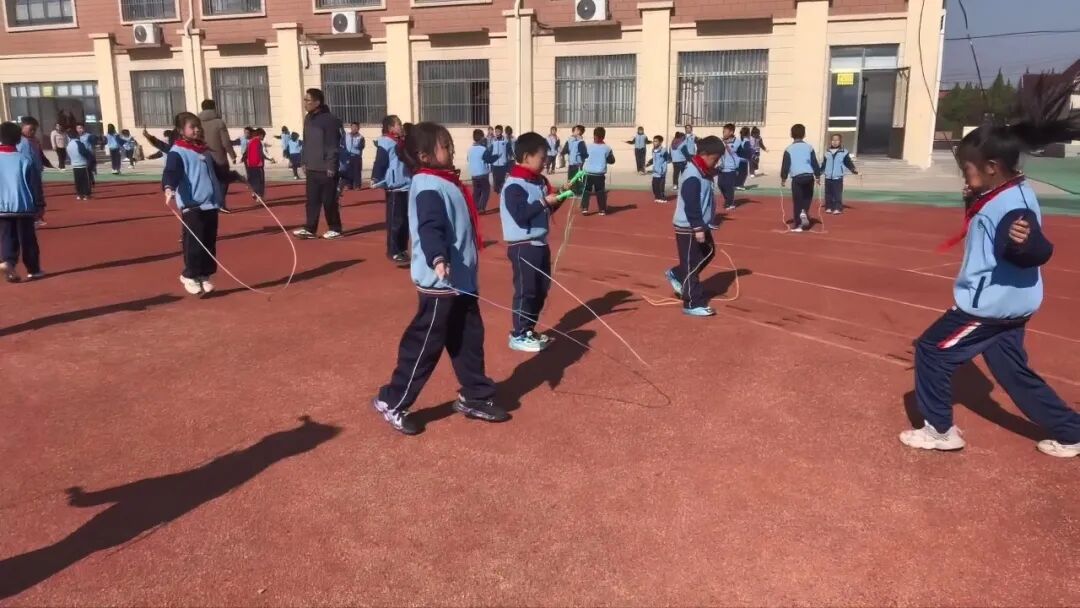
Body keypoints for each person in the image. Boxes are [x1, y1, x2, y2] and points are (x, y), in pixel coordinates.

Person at [899, 81, 1080, 457]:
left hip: (987, 307)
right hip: (1012, 304)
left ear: (992, 168)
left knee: (932, 350)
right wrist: (974, 199)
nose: (964, 176)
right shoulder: (1008, 190)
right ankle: (1071, 431)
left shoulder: (1013, 207)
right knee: (1014, 373)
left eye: (967, 170)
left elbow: (1037, 249)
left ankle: (940, 431)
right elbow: (991, 219)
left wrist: (1024, 243)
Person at [372, 121, 509, 435]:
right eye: (445, 146)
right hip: (440, 284)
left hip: (462, 282)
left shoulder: (446, 181)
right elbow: (430, 225)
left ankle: (475, 395)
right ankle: (392, 400)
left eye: (450, 144)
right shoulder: (428, 186)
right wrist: (437, 257)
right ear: (424, 156)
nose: (451, 149)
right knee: (425, 345)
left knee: (468, 340)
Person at [500, 131, 566, 352]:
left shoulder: (538, 182)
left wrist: (560, 197)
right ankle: (518, 333)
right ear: (527, 157)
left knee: (541, 289)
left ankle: (528, 330)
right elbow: (521, 215)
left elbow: (545, 210)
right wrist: (544, 201)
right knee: (526, 290)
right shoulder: (514, 185)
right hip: (523, 247)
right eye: (542, 157)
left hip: (540, 245)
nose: (545, 161)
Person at [163, 112, 224, 296]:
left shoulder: (203, 150)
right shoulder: (177, 152)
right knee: (194, 243)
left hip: (210, 204)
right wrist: (169, 187)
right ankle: (189, 275)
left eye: (198, 126)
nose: (197, 130)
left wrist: (236, 177)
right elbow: (171, 172)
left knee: (209, 242)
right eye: (192, 127)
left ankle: (204, 275)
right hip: (193, 206)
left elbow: (217, 172)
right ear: (181, 130)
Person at [664, 136, 724, 318]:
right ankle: (692, 302)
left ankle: (677, 273)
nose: (716, 162)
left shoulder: (703, 171)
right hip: (688, 227)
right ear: (704, 154)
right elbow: (691, 203)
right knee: (690, 264)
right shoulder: (692, 174)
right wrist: (697, 227)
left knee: (708, 252)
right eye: (714, 159)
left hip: (700, 224)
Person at [293, 88, 343, 240]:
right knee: (312, 201)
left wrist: (331, 165)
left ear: (317, 102)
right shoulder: (308, 118)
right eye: (305, 100)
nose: (305, 103)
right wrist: (303, 160)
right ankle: (310, 228)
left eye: (308, 100)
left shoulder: (330, 120)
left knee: (329, 201)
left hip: (326, 169)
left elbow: (333, 145)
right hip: (311, 167)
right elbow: (306, 142)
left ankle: (335, 228)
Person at [0, 121, 45, 283]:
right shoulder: (24, 159)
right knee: (28, 239)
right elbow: (34, 184)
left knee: (7, 236)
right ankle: (33, 269)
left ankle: (8, 262)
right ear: (18, 139)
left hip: (2, 207)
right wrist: (40, 204)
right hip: (23, 205)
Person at [371, 114, 411, 264]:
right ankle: (393, 250)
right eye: (398, 124)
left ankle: (403, 248)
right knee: (395, 221)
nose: (400, 126)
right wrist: (376, 177)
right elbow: (380, 162)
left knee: (405, 221)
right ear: (390, 128)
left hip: (406, 185)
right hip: (395, 188)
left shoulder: (402, 142)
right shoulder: (386, 142)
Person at [780, 123, 821, 233]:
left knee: (797, 201)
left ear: (791, 134)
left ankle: (798, 224)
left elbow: (785, 165)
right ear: (804, 134)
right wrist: (817, 175)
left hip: (797, 177)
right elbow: (814, 162)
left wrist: (783, 178)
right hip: (809, 176)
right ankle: (804, 212)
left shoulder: (789, 149)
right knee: (807, 198)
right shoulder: (809, 147)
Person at [197, 99, 236, 212]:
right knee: (223, 180)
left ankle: (207, 203)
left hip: (201, 156)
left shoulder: (196, 122)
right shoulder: (219, 122)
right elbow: (225, 142)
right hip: (218, 157)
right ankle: (220, 203)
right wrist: (232, 155)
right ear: (214, 107)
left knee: (206, 180)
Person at [580, 126, 614, 216]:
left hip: (588, 173)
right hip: (599, 174)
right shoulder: (607, 148)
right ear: (603, 137)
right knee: (600, 192)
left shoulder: (588, 146)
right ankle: (602, 210)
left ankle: (584, 208)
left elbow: (582, 157)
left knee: (586, 191)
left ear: (594, 135)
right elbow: (612, 160)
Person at [822, 133, 858, 215]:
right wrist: (819, 173)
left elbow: (848, 163)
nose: (835, 142)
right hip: (828, 177)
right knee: (828, 193)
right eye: (833, 140)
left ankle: (837, 208)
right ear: (830, 141)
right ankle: (828, 207)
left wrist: (853, 170)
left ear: (840, 141)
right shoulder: (827, 152)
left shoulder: (844, 152)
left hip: (838, 177)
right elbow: (824, 165)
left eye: (837, 140)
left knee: (837, 193)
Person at [467, 128, 495, 214]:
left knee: (476, 191)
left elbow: (468, 159)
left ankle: (474, 207)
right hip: (483, 173)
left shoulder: (470, 149)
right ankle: (481, 208)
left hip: (474, 173)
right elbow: (488, 160)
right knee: (486, 190)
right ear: (482, 138)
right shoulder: (483, 149)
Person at [717, 123, 740, 212]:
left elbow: (733, 151)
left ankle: (730, 203)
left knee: (729, 186)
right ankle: (728, 199)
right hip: (721, 167)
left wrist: (726, 144)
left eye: (725, 131)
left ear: (731, 132)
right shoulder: (721, 141)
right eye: (723, 131)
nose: (724, 133)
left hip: (731, 168)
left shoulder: (737, 142)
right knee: (720, 184)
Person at [66, 128, 94, 200]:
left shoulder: (69, 145)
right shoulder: (79, 143)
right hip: (82, 164)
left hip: (74, 165)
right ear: (77, 135)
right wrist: (90, 158)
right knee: (85, 181)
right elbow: (84, 152)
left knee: (78, 181)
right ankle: (86, 194)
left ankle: (79, 194)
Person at [562, 125, 586, 194]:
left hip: (576, 164)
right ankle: (574, 191)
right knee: (573, 178)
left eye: (576, 130)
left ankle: (576, 191)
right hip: (574, 163)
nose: (573, 132)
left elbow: (584, 153)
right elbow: (565, 150)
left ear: (579, 132)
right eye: (574, 130)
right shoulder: (575, 141)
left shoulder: (579, 141)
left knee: (574, 178)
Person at [645, 135, 669, 203]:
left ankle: (662, 198)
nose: (654, 142)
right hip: (655, 172)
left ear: (660, 142)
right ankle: (657, 197)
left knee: (660, 186)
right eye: (653, 141)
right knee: (654, 186)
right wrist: (648, 164)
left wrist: (663, 167)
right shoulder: (653, 150)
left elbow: (668, 158)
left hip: (661, 173)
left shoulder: (663, 150)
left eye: (656, 141)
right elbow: (654, 159)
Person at [245, 128, 268, 200]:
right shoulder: (257, 142)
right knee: (260, 180)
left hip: (251, 165)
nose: (263, 138)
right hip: (257, 165)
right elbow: (258, 153)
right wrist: (259, 161)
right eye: (263, 136)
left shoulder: (251, 141)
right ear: (260, 135)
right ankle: (259, 194)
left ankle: (255, 192)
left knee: (254, 180)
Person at [342, 122, 365, 190]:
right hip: (347, 155)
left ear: (358, 128)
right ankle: (348, 185)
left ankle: (357, 186)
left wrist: (355, 140)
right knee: (347, 171)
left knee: (357, 171)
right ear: (351, 127)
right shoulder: (346, 136)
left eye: (356, 127)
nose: (354, 128)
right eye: (353, 127)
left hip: (356, 156)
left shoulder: (361, 137)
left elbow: (361, 146)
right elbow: (342, 144)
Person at [489, 125, 510, 192]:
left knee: (502, 181)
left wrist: (508, 162)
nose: (497, 133)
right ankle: (497, 192)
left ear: (501, 131)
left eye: (498, 131)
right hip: (495, 164)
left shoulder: (505, 141)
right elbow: (490, 151)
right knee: (495, 182)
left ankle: (502, 193)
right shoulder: (493, 141)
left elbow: (509, 152)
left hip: (503, 164)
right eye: (496, 131)